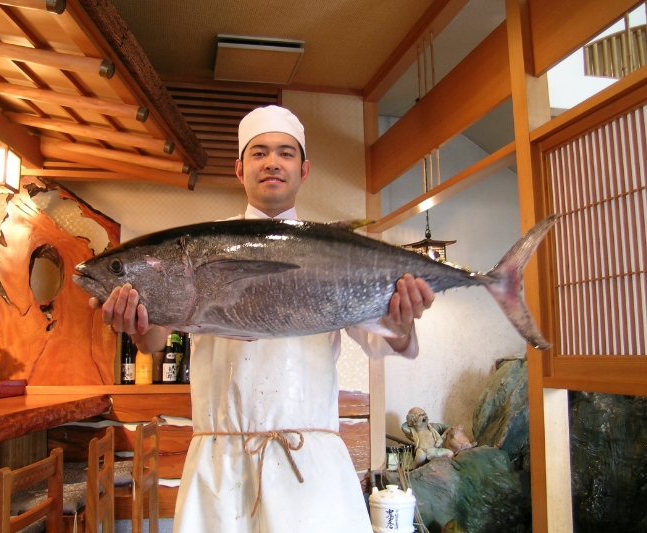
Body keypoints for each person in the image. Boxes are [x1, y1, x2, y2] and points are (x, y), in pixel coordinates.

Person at [90, 105, 435, 533]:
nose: (272, 161)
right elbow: (154, 339)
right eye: (259, 152)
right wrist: (137, 327)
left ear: (304, 169)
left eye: (285, 153)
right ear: (239, 168)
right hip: (221, 463)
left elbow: (388, 341)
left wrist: (403, 321)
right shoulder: (198, 246)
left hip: (310, 465)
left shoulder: (337, 252)